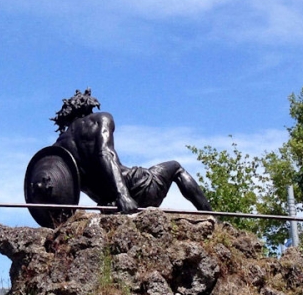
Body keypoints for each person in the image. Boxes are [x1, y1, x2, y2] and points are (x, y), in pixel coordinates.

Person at [49, 89, 211, 213]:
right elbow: (105, 153)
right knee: (176, 167)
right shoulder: (100, 119)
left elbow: (62, 186)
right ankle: (211, 216)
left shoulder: (58, 150)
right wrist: (123, 195)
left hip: (107, 202)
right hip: (135, 188)